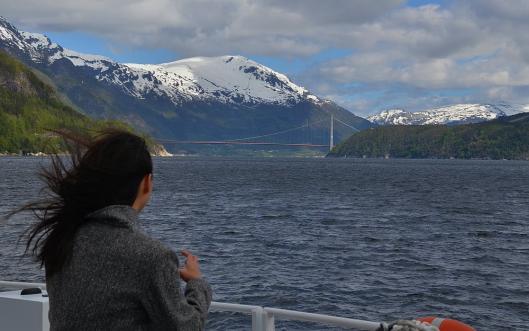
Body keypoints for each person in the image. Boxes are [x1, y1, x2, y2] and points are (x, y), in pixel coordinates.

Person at [12, 129, 212, 330]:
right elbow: (187, 327)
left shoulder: (62, 241)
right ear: (147, 183)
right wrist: (196, 283)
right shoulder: (153, 258)